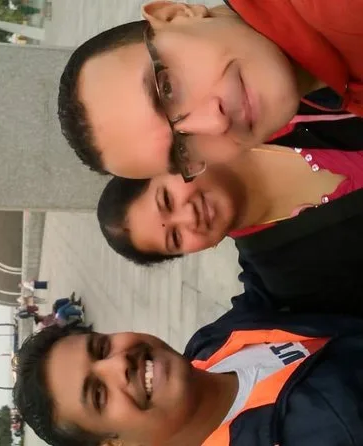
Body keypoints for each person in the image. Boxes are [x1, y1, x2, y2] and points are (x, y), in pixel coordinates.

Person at [13, 268, 363, 446]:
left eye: (102, 348)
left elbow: (267, 270)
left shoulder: (210, 344)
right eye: (99, 394)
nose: (119, 363)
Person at [58, 1, 363, 181]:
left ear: (173, 15)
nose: (216, 123)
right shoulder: (330, 89)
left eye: (167, 89)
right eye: (182, 150)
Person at [96, 145, 363, 305]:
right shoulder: (288, 276)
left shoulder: (268, 109)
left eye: (167, 199)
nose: (189, 217)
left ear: (171, 163)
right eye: (175, 238)